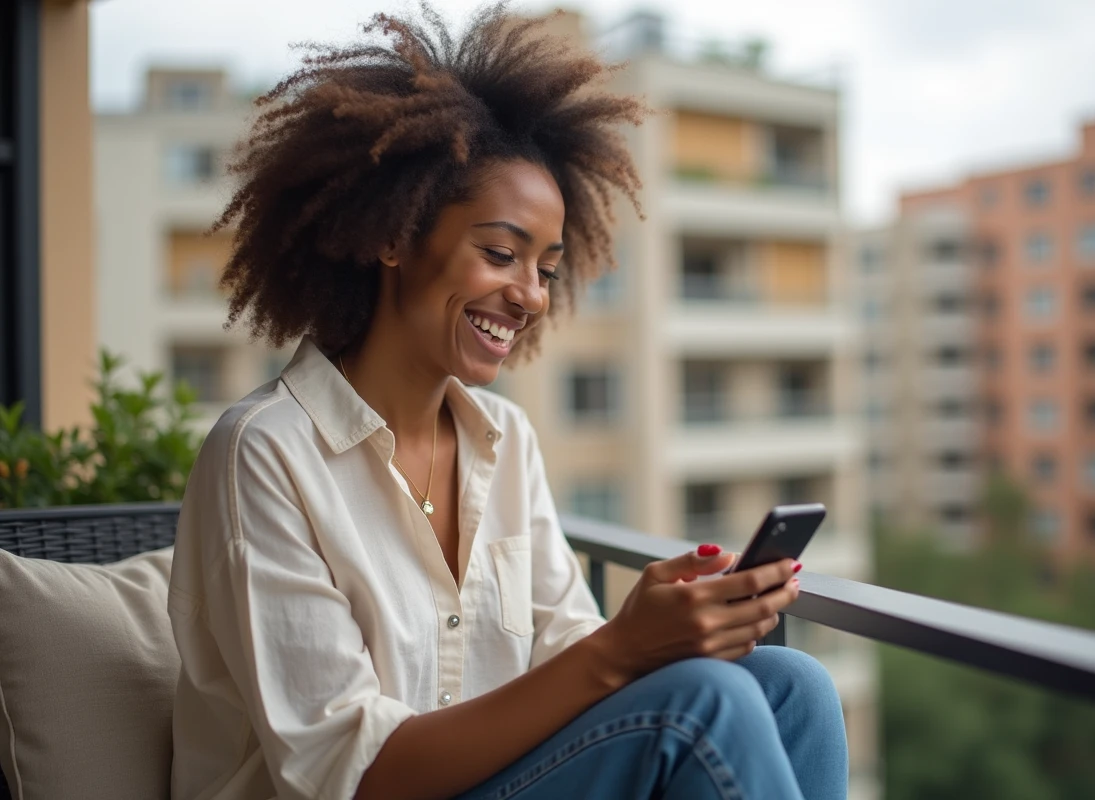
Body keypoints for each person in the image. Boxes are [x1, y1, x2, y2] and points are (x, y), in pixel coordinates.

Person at [168, 6, 848, 799]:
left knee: (795, 684)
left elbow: (567, 657)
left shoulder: (506, 439)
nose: (529, 295)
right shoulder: (265, 452)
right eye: (500, 253)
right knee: (706, 703)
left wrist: (660, 625)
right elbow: (349, 772)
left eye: (547, 268)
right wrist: (623, 649)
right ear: (394, 234)